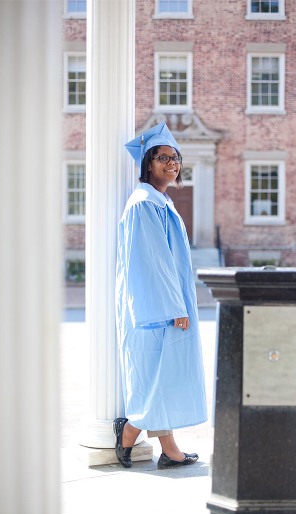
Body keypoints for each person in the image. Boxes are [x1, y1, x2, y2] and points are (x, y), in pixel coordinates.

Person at [113, 122, 208, 469]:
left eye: (175, 158)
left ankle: (169, 449)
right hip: (158, 306)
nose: (172, 164)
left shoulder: (159, 200)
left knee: (164, 372)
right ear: (147, 164)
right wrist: (174, 307)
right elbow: (154, 262)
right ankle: (130, 430)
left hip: (168, 303)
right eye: (163, 157)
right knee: (157, 373)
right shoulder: (143, 204)